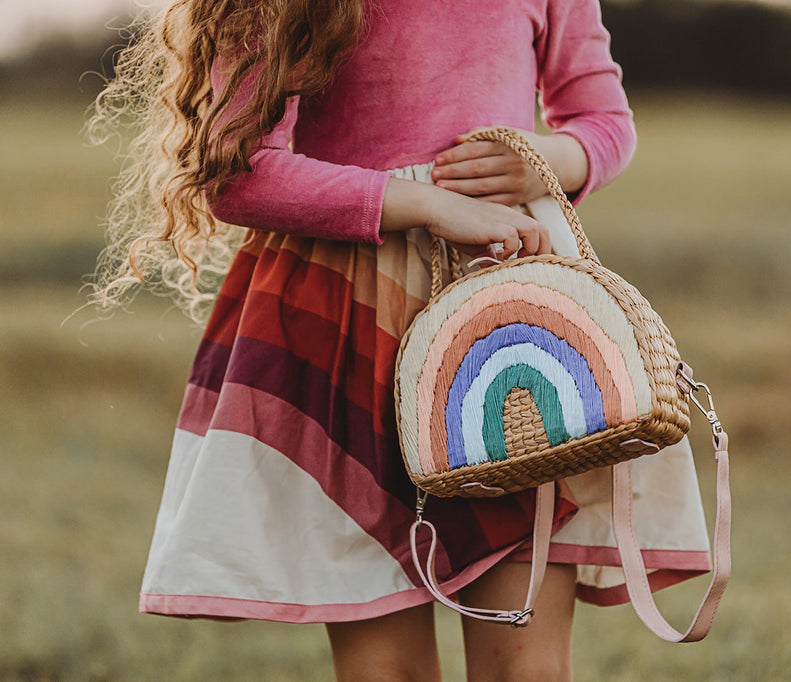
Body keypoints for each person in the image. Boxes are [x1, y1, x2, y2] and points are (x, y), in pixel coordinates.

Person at [88, 1, 712, 680]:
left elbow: (604, 124)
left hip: (508, 330)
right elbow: (237, 172)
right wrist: (426, 202)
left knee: (525, 667)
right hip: (343, 324)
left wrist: (546, 163)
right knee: (384, 669)